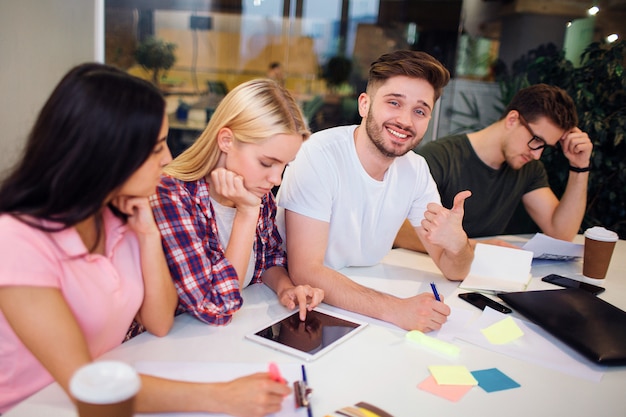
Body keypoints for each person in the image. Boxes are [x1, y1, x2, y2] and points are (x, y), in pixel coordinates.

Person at [0, 64, 291, 416]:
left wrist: (149, 234)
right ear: (107, 155)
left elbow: (159, 321)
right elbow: (86, 386)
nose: (168, 159)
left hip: (116, 385)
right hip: (33, 406)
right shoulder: (16, 241)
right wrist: (222, 396)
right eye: (156, 148)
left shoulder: (119, 215)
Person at [276, 50, 474, 333]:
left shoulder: (416, 169)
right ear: (364, 104)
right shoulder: (319, 155)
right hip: (296, 305)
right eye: (394, 103)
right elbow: (305, 270)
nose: (406, 121)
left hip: (359, 300)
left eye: (420, 111)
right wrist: (396, 309)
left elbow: (454, 270)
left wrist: (458, 244)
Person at [150, 78, 324, 326]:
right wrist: (246, 213)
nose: (275, 179)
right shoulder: (172, 196)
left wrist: (285, 288)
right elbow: (217, 306)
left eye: (284, 165)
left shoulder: (255, 188)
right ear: (226, 141)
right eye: (266, 163)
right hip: (184, 347)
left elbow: (270, 258)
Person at [393, 83, 592, 253]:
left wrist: (580, 166)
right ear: (513, 119)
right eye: (536, 140)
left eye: (544, 147)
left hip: (486, 276)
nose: (537, 154)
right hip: (429, 275)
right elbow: (397, 230)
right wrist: (475, 247)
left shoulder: (529, 169)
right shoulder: (441, 156)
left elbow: (561, 233)